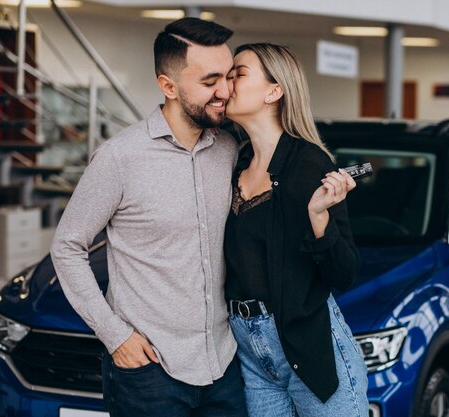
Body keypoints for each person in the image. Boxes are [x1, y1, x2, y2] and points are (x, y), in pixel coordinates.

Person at [51, 18, 248, 417]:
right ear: (168, 86)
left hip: (225, 364)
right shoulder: (119, 158)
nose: (225, 91)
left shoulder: (229, 148)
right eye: (210, 81)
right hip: (149, 371)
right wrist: (114, 335)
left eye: (228, 77)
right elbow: (67, 247)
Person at [224, 43, 369, 416]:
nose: (227, 82)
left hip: (308, 344)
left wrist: (320, 219)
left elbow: (344, 273)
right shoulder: (234, 161)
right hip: (249, 347)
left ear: (274, 91)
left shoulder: (308, 163)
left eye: (238, 73)